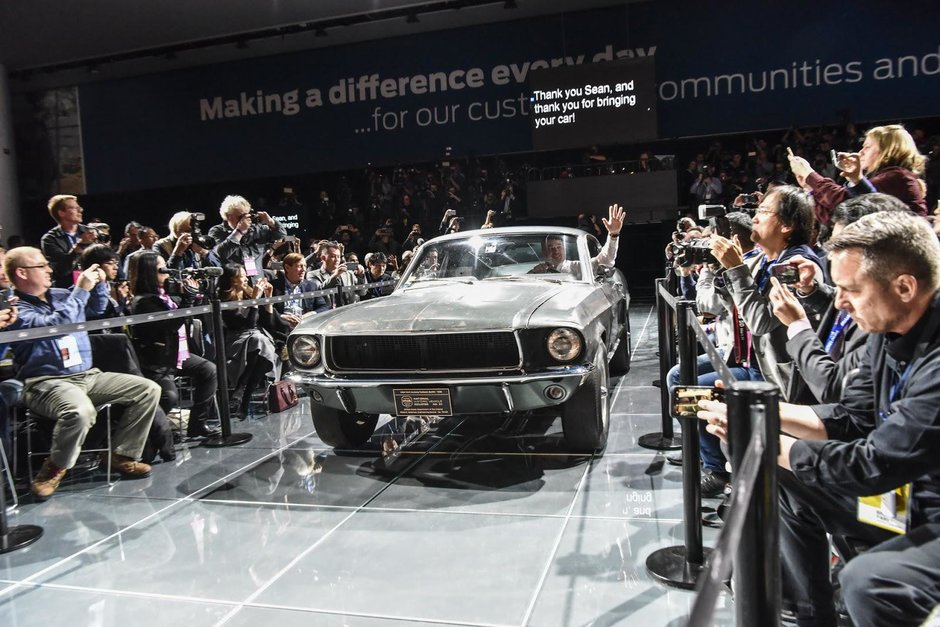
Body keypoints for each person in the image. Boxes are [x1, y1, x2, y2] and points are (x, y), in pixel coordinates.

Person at [699, 211, 940, 626]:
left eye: (850, 290)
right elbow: (851, 417)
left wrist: (763, 441)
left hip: (921, 508)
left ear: (904, 286)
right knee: (786, 480)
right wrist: (759, 413)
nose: (840, 301)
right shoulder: (888, 331)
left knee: (870, 580)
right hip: (902, 493)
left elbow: (874, 465)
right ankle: (806, 615)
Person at [5, 247, 160, 499]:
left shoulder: (59, 294)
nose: (49, 270)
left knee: (147, 389)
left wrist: (98, 284)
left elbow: (96, 309)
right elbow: (54, 325)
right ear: (21, 273)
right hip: (46, 382)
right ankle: (53, 468)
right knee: (79, 411)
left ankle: (120, 455)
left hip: (87, 375)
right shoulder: (15, 310)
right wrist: (81, 290)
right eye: (42, 266)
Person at [129, 252, 220, 439]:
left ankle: (197, 424)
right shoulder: (144, 302)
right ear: (149, 273)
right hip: (156, 362)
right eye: (161, 270)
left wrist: (191, 294)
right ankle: (152, 433)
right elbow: (170, 325)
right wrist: (187, 300)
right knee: (169, 397)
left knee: (209, 370)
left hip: (175, 356)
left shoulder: (164, 297)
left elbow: (181, 315)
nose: (167, 273)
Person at [788, 124, 927, 224]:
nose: (861, 152)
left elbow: (845, 201)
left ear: (888, 150)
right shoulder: (886, 178)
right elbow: (835, 216)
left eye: (867, 147)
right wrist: (810, 188)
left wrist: (809, 174)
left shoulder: (898, 177)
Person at [218, 264, 279, 418]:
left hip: (256, 338)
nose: (246, 279)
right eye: (242, 276)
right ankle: (244, 398)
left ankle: (242, 394)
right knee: (261, 344)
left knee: (261, 346)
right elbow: (247, 325)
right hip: (236, 340)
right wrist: (255, 300)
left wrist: (268, 299)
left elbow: (269, 323)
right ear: (232, 280)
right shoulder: (224, 300)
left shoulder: (249, 294)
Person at [529, 203, 625, 277]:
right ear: (544, 252)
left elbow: (606, 259)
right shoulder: (538, 271)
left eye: (559, 246)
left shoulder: (579, 267)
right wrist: (533, 274)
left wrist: (613, 234)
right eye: (551, 248)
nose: (556, 251)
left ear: (564, 248)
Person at [209, 195, 286, 283]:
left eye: (247, 215)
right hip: (234, 286)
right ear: (228, 216)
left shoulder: (255, 229)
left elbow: (281, 235)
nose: (245, 220)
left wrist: (271, 222)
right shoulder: (217, 231)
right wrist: (239, 231)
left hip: (257, 283)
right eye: (240, 217)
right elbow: (222, 253)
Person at [40, 194, 99, 288]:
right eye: (74, 208)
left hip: (94, 285)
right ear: (61, 213)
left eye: (79, 207)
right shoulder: (50, 239)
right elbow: (61, 270)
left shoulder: (90, 232)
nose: (80, 210)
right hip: (68, 290)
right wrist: (79, 247)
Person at [306, 240, 366, 308]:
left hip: (349, 312)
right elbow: (319, 292)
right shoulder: (312, 274)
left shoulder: (349, 274)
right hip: (327, 314)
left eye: (338, 256)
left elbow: (362, 293)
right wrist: (335, 275)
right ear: (323, 258)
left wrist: (361, 277)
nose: (337, 259)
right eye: (333, 256)